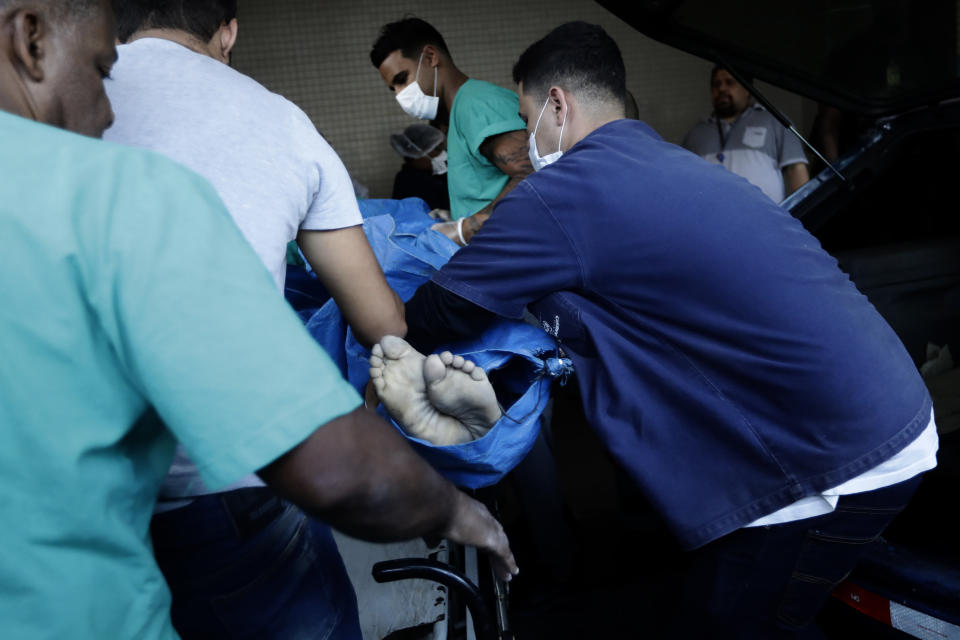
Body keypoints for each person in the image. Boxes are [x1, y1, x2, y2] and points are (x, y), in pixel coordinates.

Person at [382, 21, 937, 638]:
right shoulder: (670, 159)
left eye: (525, 113)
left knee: (731, 620)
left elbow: (434, 315)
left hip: (834, 455)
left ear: (557, 106)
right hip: (891, 409)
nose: (525, 133)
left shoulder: (565, 191)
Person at [0, 2, 517, 640]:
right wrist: (457, 509)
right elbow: (341, 427)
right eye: (101, 70)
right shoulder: (133, 187)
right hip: (215, 507)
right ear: (228, 31)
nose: (111, 111)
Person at [103, 2, 411, 637]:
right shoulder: (280, 120)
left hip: (78, 504)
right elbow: (384, 326)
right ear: (229, 31)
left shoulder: (47, 102)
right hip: (231, 490)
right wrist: (363, 427)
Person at [370, 17, 531, 246]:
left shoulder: (476, 104)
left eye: (402, 79)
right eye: (392, 89)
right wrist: (456, 217)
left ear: (430, 57)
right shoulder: (454, 116)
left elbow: (534, 174)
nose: (399, 95)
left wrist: (466, 228)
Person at [682, 64, 810, 202]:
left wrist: (803, 212)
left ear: (747, 89)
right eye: (716, 84)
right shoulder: (695, 134)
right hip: (714, 221)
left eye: (729, 82)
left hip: (765, 220)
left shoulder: (775, 121)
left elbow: (796, 170)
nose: (721, 88)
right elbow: (685, 182)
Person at [391, 122, 451, 211]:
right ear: (417, 153)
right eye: (437, 149)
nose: (443, 154)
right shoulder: (408, 182)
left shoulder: (437, 176)